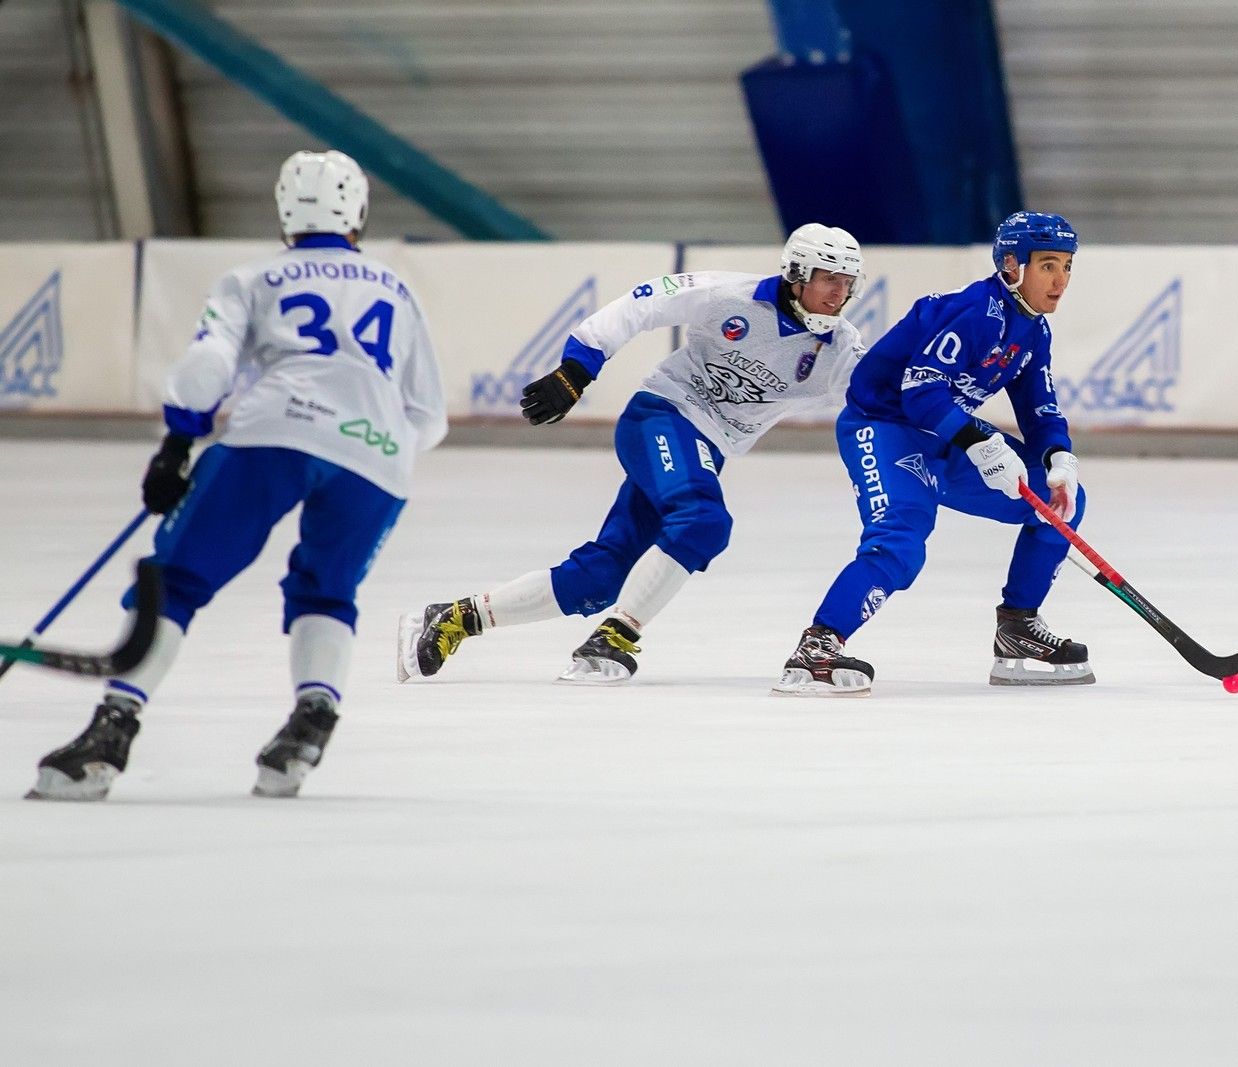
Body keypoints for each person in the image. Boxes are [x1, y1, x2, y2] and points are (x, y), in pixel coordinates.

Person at [26, 149, 447, 801]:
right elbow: (431, 416)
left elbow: (204, 370)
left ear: (283, 211)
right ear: (358, 212)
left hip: (273, 432)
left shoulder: (253, 279)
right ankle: (311, 716)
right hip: (380, 456)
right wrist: (375, 450)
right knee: (326, 590)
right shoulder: (397, 287)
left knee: (180, 579)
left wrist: (176, 445)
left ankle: (111, 732)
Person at [397, 224, 865, 685]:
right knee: (703, 522)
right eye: (829, 279)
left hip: (707, 449)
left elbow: (881, 400)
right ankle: (615, 638)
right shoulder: (729, 295)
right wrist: (578, 369)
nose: (838, 293)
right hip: (662, 416)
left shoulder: (841, 350)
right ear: (797, 274)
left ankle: (453, 618)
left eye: (847, 283)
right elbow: (640, 304)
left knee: (599, 577)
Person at [773, 211, 1090, 696]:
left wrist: (1057, 457)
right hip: (884, 427)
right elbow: (919, 394)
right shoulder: (972, 310)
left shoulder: (1034, 330)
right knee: (901, 538)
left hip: (944, 434)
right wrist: (982, 445)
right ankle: (818, 647)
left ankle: (1017, 628)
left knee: (1062, 503)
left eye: (1068, 266)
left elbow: (1040, 410)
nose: (1061, 280)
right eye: (1048, 265)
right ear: (1011, 264)